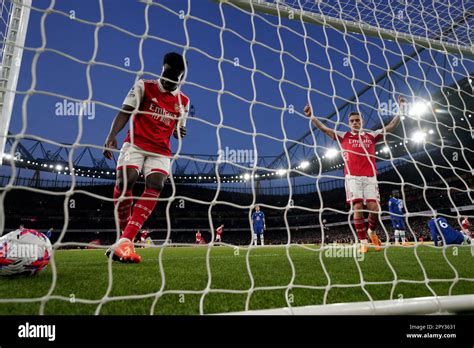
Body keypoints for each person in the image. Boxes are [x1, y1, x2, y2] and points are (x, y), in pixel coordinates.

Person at [103, 52, 189, 263]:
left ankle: (125, 240)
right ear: (163, 69)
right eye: (168, 74)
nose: (170, 80)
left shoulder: (183, 101)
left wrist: (179, 132)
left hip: (161, 150)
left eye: (175, 77)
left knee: (156, 184)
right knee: (126, 181)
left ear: (181, 77)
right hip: (136, 144)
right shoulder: (144, 86)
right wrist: (111, 137)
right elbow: (125, 111)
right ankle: (125, 238)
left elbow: (178, 130)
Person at [304, 96, 406, 253]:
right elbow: (325, 129)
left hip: (370, 177)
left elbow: (391, 126)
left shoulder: (371, 136)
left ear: (362, 121)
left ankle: (371, 232)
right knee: (357, 206)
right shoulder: (343, 136)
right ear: (348, 123)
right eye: (352, 121)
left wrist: (401, 109)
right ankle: (363, 241)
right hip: (352, 177)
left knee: (375, 209)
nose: (355, 123)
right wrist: (312, 117)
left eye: (357, 120)